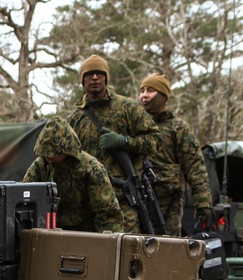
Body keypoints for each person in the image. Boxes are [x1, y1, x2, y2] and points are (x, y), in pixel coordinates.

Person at [67, 55, 161, 233]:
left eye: (99, 74)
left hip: (122, 201)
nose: (95, 78)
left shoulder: (128, 108)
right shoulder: (75, 118)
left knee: (125, 253)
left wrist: (124, 141)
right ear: (83, 80)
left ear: (106, 78)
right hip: (86, 204)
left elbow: (155, 141)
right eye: (89, 74)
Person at [138, 73, 213, 236]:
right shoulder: (134, 125)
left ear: (163, 95)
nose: (144, 95)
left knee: (167, 248)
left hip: (167, 205)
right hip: (136, 200)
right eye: (142, 90)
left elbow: (194, 167)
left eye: (150, 90)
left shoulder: (178, 128)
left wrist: (202, 202)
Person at [23, 116, 124, 233]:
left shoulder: (91, 169)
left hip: (86, 234)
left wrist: (106, 244)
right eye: (46, 153)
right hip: (50, 231)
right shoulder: (41, 165)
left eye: (53, 153)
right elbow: (25, 195)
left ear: (66, 149)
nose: (48, 157)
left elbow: (107, 213)